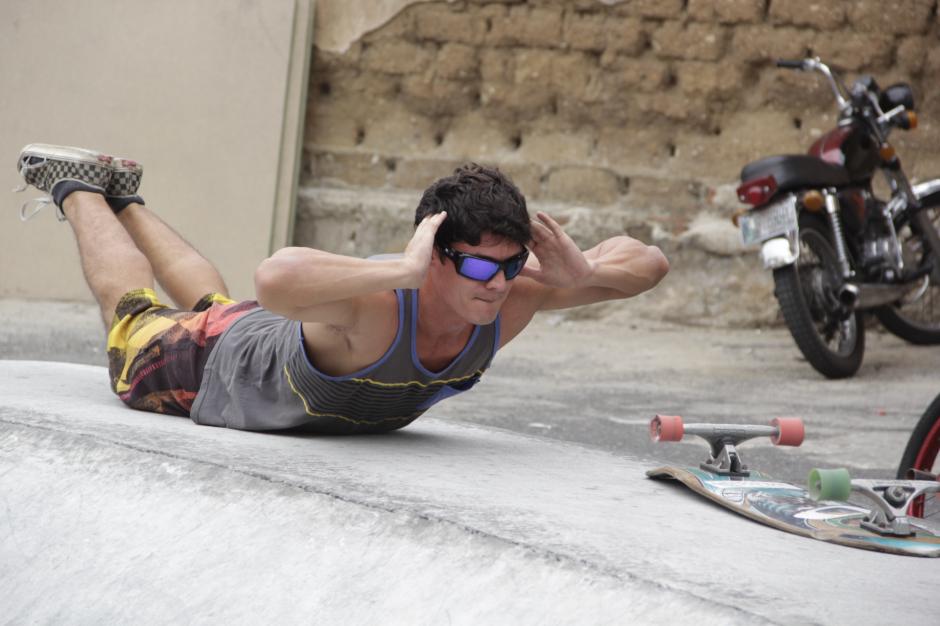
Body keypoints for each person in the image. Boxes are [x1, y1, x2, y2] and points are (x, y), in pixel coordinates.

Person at [15, 144, 669, 434]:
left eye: (510, 263)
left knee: (216, 306)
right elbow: (275, 279)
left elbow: (651, 262)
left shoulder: (514, 291)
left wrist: (585, 277)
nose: (496, 283)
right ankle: (74, 186)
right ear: (433, 254)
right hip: (209, 364)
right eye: (475, 266)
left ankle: (125, 197)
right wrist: (400, 271)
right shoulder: (383, 299)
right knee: (136, 320)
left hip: (255, 330)